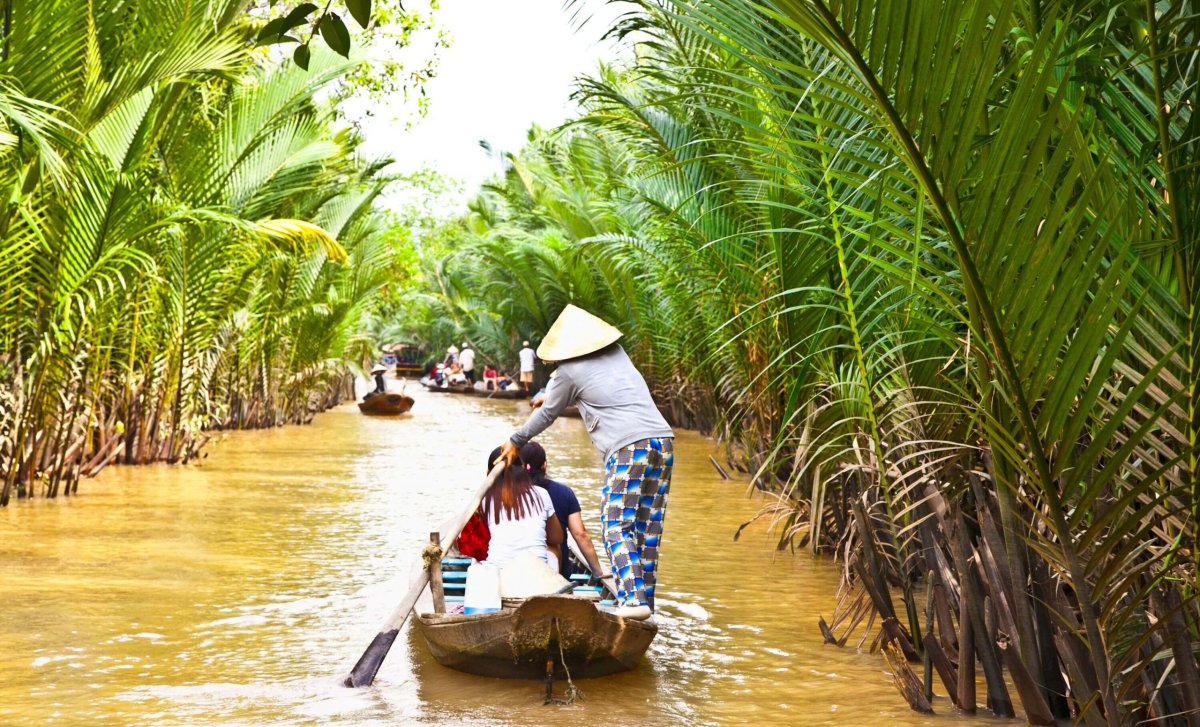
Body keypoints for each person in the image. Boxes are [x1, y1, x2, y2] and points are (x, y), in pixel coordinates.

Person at [497, 305, 674, 620]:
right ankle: (646, 603)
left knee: (615, 523)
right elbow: (601, 392)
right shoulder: (618, 353)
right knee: (647, 527)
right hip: (662, 441)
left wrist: (516, 440)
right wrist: (551, 397)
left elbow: (550, 413)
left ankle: (633, 601)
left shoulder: (567, 372)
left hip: (628, 447)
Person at [519, 441, 606, 580]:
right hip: (558, 570)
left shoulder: (508, 494)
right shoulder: (564, 493)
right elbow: (580, 534)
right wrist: (598, 572)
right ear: (545, 466)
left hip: (516, 564)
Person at [482, 447, 565, 571]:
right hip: (536, 570)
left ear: (489, 474)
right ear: (523, 469)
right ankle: (556, 581)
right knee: (554, 547)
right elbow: (557, 538)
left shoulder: (485, 499)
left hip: (499, 569)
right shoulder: (541, 493)